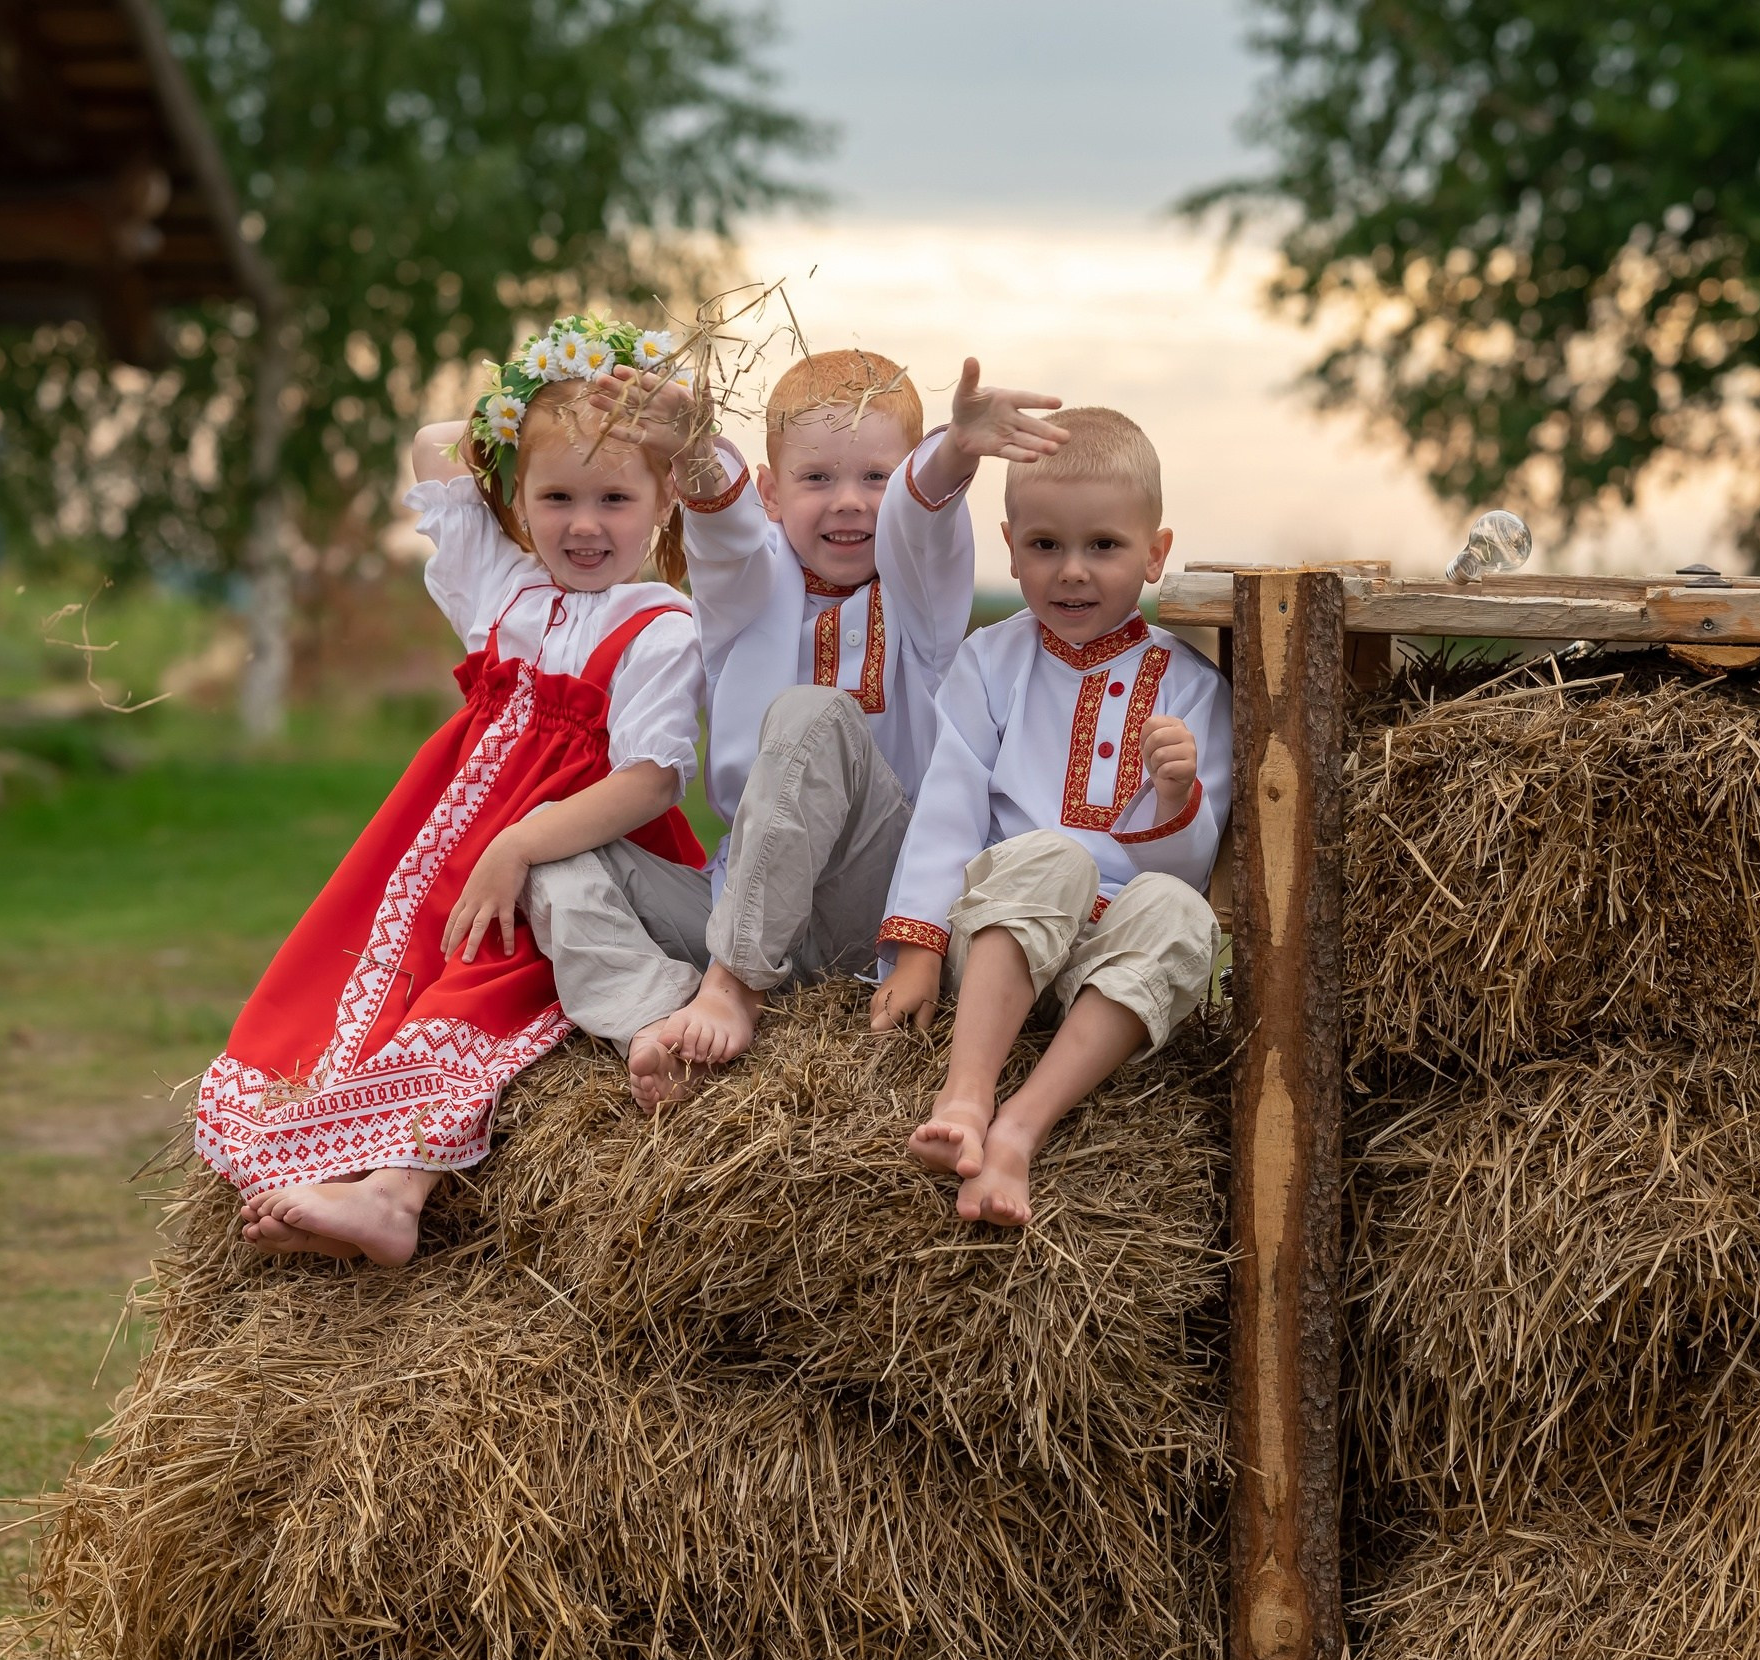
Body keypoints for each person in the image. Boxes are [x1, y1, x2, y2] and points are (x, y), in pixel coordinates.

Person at [193, 315, 707, 1265]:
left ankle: (395, 1195)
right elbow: (434, 448)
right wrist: (538, 398)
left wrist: (519, 845)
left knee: (478, 989)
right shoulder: (502, 588)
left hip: (564, 849)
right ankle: (335, 1164)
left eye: (613, 497)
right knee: (369, 981)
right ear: (516, 497)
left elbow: (651, 780)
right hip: (438, 845)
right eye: (554, 495)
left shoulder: (660, 624)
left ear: (664, 501)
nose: (583, 524)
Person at [525, 350, 1067, 1108]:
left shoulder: (920, 599)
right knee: (558, 863)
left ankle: (734, 985)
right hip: (739, 890)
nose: (848, 502)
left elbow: (929, 527)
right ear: (773, 491)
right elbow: (727, 540)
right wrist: (692, 457)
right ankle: (652, 1019)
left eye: (876, 478)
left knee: (815, 712)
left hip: (871, 896)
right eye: (818, 479)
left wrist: (952, 454)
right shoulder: (752, 587)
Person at [869, 407, 1230, 1226]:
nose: (1071, 571)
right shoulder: (992, 660)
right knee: (1056, 856)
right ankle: (964, 1096)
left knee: (1183, 916)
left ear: (1155, 553)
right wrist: (917, 951)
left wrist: (1175, 798)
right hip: (1001, 935)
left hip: (1108, 962)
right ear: (1011, 545)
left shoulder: (1194, 689)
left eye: (1102, 546)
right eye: (1044, 546)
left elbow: (1185, 872)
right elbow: (949, 808)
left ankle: (1019, 1132)